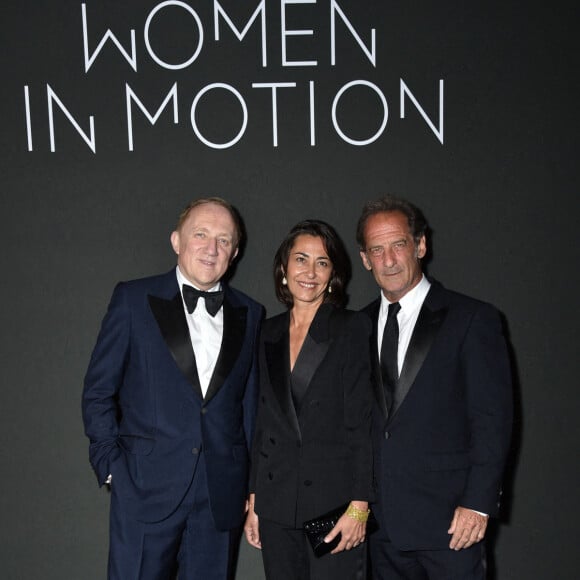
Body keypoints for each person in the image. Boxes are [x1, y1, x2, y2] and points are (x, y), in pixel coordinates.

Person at [82, 197, 264, 580]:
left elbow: (249, 408)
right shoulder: (133, 300)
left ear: (234, 252)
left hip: (219, 501)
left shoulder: (251, 313)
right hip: (144, 491)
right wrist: (112, 467)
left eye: (224, 240)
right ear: (176, 241)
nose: (212, 248)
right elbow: (99, 390)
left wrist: (251, 487)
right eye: (201, 234)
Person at [357, 195, 513, 580]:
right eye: (377, 250)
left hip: (451, 527)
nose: (389, 260)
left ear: (421, 245)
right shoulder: (354, 327)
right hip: (380, 531)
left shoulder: (471, 319)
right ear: (365, 259)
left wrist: (478, 504)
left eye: (398, 245)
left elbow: (492, 420)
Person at [244, 220, 374, 580]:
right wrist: (256, 497)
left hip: (333, 507)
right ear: (284, 268)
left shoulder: (350, 328)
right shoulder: (267, 332)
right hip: (276, 503)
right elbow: (263, 419)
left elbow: (362, 422)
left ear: (333, 274)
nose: (310, 272)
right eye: (301, 259)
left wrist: (360, 507)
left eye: (322, 262)